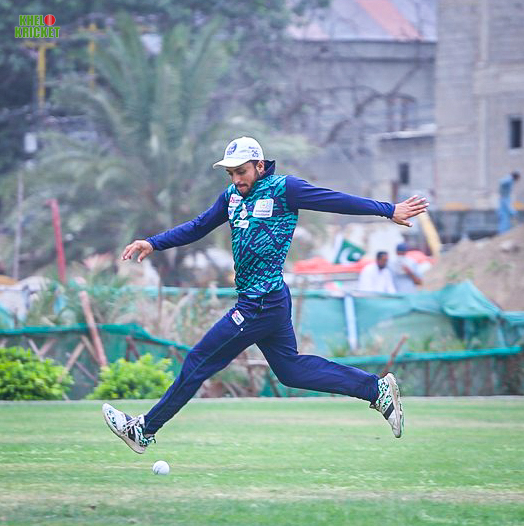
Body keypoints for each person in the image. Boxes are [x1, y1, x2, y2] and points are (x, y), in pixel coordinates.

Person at [102, 136, 428, 453]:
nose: (236, 179)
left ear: (259, 165)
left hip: (260, 303)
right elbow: (199, 226)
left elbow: (335, 200)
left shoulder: (285, 189)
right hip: (267, 301)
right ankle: (376, 390)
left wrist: (388, 209)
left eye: (241, 171)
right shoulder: (231, 196)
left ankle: (144, 430)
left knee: (199, 360)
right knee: (291, 370)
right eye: (231, 173)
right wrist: (153, 242)